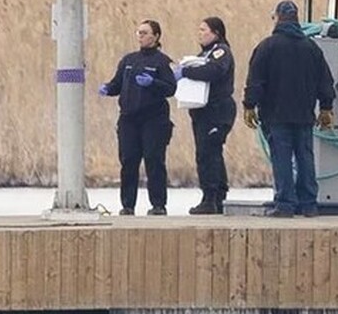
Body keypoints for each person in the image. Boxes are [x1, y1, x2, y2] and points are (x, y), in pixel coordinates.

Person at [242, 0, 335, 218]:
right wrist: (326, 108)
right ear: (296, 19)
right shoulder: (312, 48)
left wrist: (249, 105)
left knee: (282, 159)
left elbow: (255, 81)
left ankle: (285, 204)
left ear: (277, 18)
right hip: (304, 114)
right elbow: (325, 81)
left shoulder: (267, 47)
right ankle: (309, 204)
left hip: (276, 115)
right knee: (305, 158)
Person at [99, 20, 177, 216]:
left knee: (154, 160)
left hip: (154, 119)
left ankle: (158, 204)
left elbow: (171, 88)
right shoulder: (128, 60)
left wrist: (153, 83)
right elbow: (117, 84)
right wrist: (108, 88)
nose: (140, 36)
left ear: (156, 36)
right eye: (138, 32)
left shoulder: (162, 61)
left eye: (144, 33)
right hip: (129, 119)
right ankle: (127, 205)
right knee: (128, 160)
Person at [178, 17, 236, 215]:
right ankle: (216, 196)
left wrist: (186, 72)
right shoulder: (203, 54)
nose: (199, 33)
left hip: (217, 110)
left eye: (204, 30)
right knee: (209, 153)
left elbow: (213, 71)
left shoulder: (221, 51)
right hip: (204, 112)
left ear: (216, 32)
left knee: (208, 153)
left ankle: (211, 197)